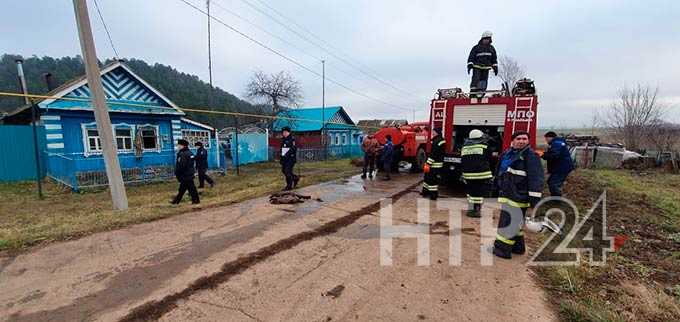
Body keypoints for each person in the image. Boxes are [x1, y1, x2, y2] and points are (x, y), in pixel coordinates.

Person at [493, 131, 544, 259]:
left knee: (508, 223)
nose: (522, 141)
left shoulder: (531, 156)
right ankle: (518, 248)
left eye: (525, 139)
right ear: (513, 140)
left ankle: (502, 250)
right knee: (516, 222)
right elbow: (499, 171)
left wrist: (534, 201)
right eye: (519, 138)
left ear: (528, 141)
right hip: (508, 194)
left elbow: (536, 179)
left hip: (519, 196)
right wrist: (495, 187)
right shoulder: (507, 154)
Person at [461, 129, 493, 217]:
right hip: (481, 174)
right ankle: (476, 210)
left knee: (470, 192)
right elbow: (489, 158)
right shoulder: (484, 146)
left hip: (467, 174)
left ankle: (471, 208)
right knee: (478, 193)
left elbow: (463, 160)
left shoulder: (464, 147)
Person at [542, 131, 574, 196]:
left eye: (546, 139)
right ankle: (555, 196)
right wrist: (545, 154)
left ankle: (557, 199)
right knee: (551, 182)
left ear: (550, 137)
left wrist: (542, 155)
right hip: (560, 167)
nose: (546, 141)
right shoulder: (557, 143)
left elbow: (553, 156)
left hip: (562, 168)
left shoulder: (556, 144)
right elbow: (553, 154)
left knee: (553, 183)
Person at [467, 31, 498, 98]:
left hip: (486, 68)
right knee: (476, 79)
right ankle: (473, 92)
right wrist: (470, 65)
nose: (487, 40)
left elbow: (494, 59)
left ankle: (481, 92)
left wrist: (495, 67)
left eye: (488, 39)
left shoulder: (491, 48)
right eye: (486, 39)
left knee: (483, 81)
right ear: (482, 39)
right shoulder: (476, 47)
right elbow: (471, 57)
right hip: (477, 66)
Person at [171, 139, 200, 204]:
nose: (178, 146)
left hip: (185, 174)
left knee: (190, 188)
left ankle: (195, 200)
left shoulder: (182, 154)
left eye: (179, 145)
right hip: (189, 173)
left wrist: (177, 173)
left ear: (182, 146)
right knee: (183, 188)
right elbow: (192, 162)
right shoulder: (190, 152)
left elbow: (181, 165)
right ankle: (176, 201)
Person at [421, 128, 445, 200]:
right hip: (435, 164)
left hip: (434, 165)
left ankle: (433, 195)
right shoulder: (438, 140)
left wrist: (428, 163)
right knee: (427, 178)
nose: (433, 133)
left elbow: (434, 154)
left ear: (437, 132)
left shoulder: (437, 141)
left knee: (432, 180)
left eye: (434, 132)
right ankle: (425, 192)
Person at [280, 126, 299, 190]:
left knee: (287, 171)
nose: (284, 133)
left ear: (289, 132)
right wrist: (281, 158)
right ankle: (295, 178)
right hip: (284, 159)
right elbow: (282, 149)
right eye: (283, 132)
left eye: (285, 132)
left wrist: (287, 154)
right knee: (284, 171)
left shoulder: (292, 139)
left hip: (291, 159)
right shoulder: (283, 139)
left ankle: (289, 186)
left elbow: (293, 148)